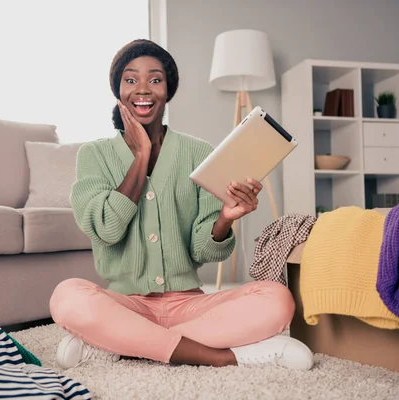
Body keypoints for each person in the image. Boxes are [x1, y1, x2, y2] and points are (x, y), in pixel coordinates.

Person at [49, 39, 314, 371]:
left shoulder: (199, 152)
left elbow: (205, 250)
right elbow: (107, 229)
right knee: (67, 296)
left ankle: (120, 342)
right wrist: (141, 156)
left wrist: (225, 219)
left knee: (277, 300)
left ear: (168, 90)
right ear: (118, 90)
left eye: (155, 79)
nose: (142, 89)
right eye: (130, 80)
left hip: (190, 304)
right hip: (126, 304)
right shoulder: (94, 155)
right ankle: (223, 356)